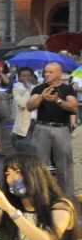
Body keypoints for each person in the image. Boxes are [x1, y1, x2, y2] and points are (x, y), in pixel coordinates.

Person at [27, 61, 79, 194]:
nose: (46, 74)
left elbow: (73, 107)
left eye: (50, 72)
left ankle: (65, 198)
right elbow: (30, 106)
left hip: (61, 129)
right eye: (46, 71)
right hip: (41, 128)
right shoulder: (39, 88)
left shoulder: (68, 89)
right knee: (40, 165)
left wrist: (57, 100)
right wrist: (42, 97)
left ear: (59, 74)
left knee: (64, 167)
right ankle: (42, 196)